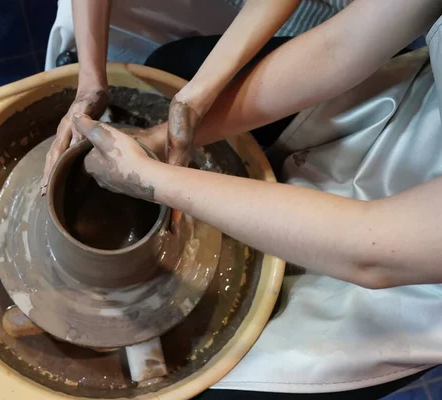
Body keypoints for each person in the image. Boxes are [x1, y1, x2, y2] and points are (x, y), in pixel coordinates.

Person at [71, 0, 442, 394]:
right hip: (398, 116)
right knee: (174, 65)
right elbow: (340, 45)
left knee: (209, 385)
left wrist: (152, 179)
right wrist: (166, 132)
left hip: (406, 277)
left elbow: (373, 250)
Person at [41, 0, 354, 193]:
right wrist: (90, 80)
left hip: (343, 29)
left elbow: (342, 47)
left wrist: (194, 100)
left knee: (171, 65)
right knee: (76, 17)